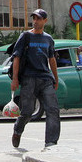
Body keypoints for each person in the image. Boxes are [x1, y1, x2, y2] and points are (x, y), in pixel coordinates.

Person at [10, 8, 60, 149]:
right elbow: (17, 58)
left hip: (45, 79)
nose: (35, 21)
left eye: (39, 19)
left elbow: (52, 59)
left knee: (53, 110)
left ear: (45, 21)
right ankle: (18, 130)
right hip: (29, 79)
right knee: (27, 111)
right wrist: (15, 79)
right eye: (34, 18)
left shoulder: (48, 39)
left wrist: (55, 78)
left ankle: (51, 143)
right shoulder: (25, 36)